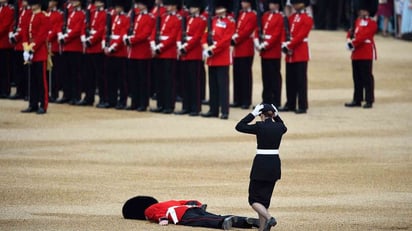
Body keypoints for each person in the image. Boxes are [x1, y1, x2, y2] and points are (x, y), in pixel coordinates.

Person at [235, 104, 287, 231]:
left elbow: (239, 126)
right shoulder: (280, 127)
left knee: (253, 199)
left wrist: (252, 114)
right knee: (264, 201)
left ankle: (269, 218)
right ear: (273, 114)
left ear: (261, 115)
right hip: (274, 164)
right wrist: (277, 115)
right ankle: (262, 229)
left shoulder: (260, 126)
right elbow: (283, 126)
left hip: (261, 164)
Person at [122, 196, 260, 230]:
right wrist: (197, 204)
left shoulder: (149, 209)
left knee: (202, 221)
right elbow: (183, 201)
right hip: (190, 207)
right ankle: (245, 221)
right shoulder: (168, 201)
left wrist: (163, 219)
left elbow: (156, 214)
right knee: (212, 215)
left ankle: (223, 222)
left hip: (181, 216)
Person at [201, 0, 235, 120]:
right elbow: (204, 36)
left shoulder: (229, 22)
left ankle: (224, 111)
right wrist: (206, 47)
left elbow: (225, 41)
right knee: (213, 85)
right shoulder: (212, 21)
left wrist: (212, 49)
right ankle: (213, 109)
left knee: (222, 86)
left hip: (222, 58)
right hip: (211, 58)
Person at [278, 0, 313, 114]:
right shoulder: (291, 17)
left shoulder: (307, 18)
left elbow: (301, 35)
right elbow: (285, 31)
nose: (295, 5)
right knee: (290, 80)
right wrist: (284, 43)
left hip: (300, 52)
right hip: (290, 54)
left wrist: (289, 45)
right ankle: (290, 103)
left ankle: (302, 105)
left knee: (300, 81)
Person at [174, 0, 207, 116]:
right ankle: (186, 106)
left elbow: (197, 37)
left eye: (193, 7)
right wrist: (179, 44)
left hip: (194, 54)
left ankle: (195, 107)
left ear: (198, 8)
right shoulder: (187, 19)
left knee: (194, 82)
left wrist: (185, 47)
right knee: (185, 82)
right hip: (184, 54)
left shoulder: (202, 20)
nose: (191, 9)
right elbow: (180, 33)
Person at [149, 0, 181, 114]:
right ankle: (160, 104)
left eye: (169, 5)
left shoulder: (178, 18)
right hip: (158, 52)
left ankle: (169, 105)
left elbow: (173, 36)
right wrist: (153, 44)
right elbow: (154, 31)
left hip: (169, 53)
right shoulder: (162, 17)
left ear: (174, 6)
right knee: (160, 80)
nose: (167, 7)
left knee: (168, 81)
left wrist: (160, 47)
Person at [345, 0, 378, 109]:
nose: (361, 12)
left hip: (365, 53)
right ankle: (357, 98)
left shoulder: (372, 23)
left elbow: (364, 36)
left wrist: (352, 43)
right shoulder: (357, 21)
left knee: (366, 77)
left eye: (363, 10)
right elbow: (351, 33)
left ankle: (369, 99)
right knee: (357, 77)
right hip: (356, 53)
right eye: (360, 10)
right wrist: (349, 38)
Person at [123, 0, 155, 111]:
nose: (138, 5)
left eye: (141, 3)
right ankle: (134, 102)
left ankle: (143, 103)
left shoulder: (150, 17)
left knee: (143, 80)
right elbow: (129, 28)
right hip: (132, 52)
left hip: (143, 53)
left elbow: (145, 34)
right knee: (134, 79)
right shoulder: (135, 16)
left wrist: (131, 39)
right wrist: (126, 36)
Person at [20, 0, 50, 114]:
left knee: (41, 81)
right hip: (30, 51)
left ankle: (43, 104)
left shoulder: (44, 16)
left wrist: (31, 48)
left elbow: (42, 36)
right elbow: (24, 32)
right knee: (32, 80)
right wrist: (25, 48)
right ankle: (33, 104)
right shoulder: (29, 16)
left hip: (40, 52)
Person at [254, 0, 284, 108]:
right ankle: (266, 100)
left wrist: (264, 45)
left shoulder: (280, 17)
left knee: (274, 78)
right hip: (264, 52)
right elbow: (258, 29)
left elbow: (276, 34)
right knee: (265, 77)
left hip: (273, 51)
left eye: (275, 4)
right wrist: (257, 42)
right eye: (271, 3)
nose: (273, 5)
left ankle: (276, 101)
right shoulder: (265, 15)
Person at [56, 0, 85, 105]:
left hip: (75, 46)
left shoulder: (82, 14)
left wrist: (65, 37)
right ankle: (66, 94)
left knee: (75, 73)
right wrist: (59, 34)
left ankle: (76, 96)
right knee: (65, 72)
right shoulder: (68, 12)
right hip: (65, 46)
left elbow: (77, 30)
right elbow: (61, 24)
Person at [78, 0, 106, 106]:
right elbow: (84, 26)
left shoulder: (105, 14)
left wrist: (91, 40)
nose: (96, 3)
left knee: (100, 75)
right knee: (88, 74)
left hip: (97, 48)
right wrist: (83, 38)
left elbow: (101, 30)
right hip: (88, 48)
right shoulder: (91, 13)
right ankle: (89, 98)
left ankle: (103, 98)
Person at [104, 0, 130, 109]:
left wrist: (112, 47)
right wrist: (105, 45)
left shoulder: (126, 18)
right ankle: (112, 100)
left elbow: (122, 35)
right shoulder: (113, 17)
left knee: (121, 79)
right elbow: (107, 32)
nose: (116, 9)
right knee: (111, 78)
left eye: (118, 7)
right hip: (111, 52)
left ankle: (122, 101)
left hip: (120, 52)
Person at [231, 0, 257, 110]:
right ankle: (237, 99)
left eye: (245, 2)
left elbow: (247, 31)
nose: (242, 4)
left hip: (246, 49)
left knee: (245, 76)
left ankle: (246, 100)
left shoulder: (252, 15)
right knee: (237, 74)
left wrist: (235, 38)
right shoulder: (240, 13)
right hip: (236, 50)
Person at [0, 0, 15, 98]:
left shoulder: (8, 10)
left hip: (3, 43)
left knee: (4, 69)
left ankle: (5, 90)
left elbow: (5, 26)